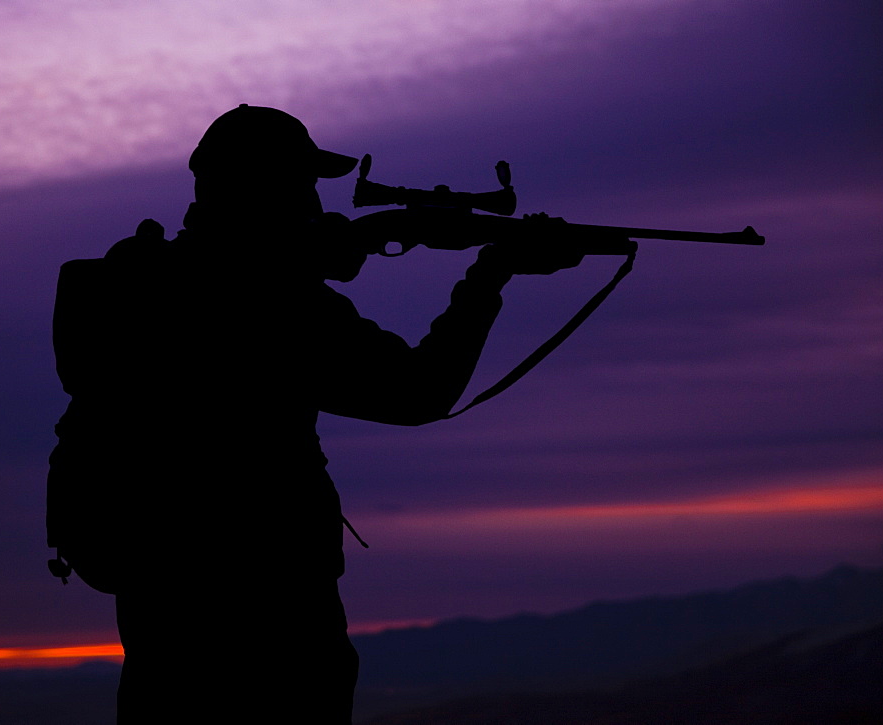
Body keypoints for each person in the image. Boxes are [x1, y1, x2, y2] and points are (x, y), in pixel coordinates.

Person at [48, 104, 585, 723]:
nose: (314, 199)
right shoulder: (273, 300)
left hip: (161, 592)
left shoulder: (142, 286)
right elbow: (419, 392)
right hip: (271, 604)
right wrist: (490, 276)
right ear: (264, 188)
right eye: (301, 182)